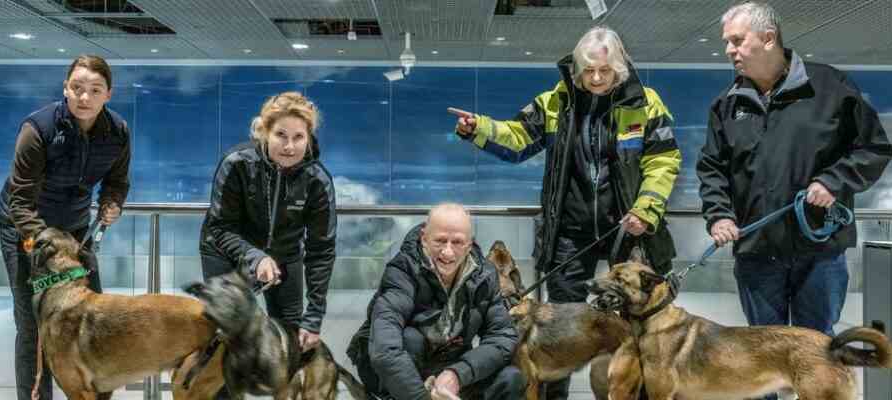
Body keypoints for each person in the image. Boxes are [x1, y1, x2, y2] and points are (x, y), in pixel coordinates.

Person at [448, 26, 681, 399]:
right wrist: (479, 128)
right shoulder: (555, 102)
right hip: (569, 234)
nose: (596, 78)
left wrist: (646, 210)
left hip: (628, 229)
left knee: (640, 327)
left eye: (604, 71)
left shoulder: (645, 103)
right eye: (588, 71)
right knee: (559, 331)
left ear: (618, 68)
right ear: (577, 69)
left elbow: (663, 160)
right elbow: (519, 136)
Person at [697, 3, 892, 397]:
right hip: (756, 254)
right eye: (727, 44)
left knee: (818, 351)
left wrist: (834, 182)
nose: (729, 51)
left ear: (768, 38)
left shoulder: (831, 87)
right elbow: (712, 170)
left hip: (820, 253)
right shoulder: (726, 105)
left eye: (737, 41)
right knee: (756, 358)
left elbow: (874, 149)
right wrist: (719, 216)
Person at [0, 54, 130, 400]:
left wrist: (112, 203)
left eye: (95, 90)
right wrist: (48, 245)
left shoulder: (118, 132)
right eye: (77, 88)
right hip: (25, 228)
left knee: (94, 317)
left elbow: (117, 181)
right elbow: (20, 202)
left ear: (108, 95)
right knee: (34, 326)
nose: (84, 97)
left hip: (74, 228)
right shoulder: (37, 129)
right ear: (65, 89)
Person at [199, 91, 337, 397]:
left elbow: (321, 251)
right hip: (226, 252)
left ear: (308, 137)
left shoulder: (317, 180)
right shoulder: (237, 164)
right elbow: (220, 227)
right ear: (264, 132)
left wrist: (313, 319)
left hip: (285, 257)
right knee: (226, 338)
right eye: (281, 135)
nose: (289, 146)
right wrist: (254, 256)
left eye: (298, 137)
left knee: (293, 341)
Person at [347, 203, 523, 400]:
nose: (447, 252)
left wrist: (458, 374)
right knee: (410, 338)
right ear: (424, 238)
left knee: (511, 378)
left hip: (450, 365)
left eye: (457, 242)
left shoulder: (485, 275)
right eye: (440, 241)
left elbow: (503, 337)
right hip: (403, 371)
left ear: (469, 245)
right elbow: (384, 349)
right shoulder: (401, 270)